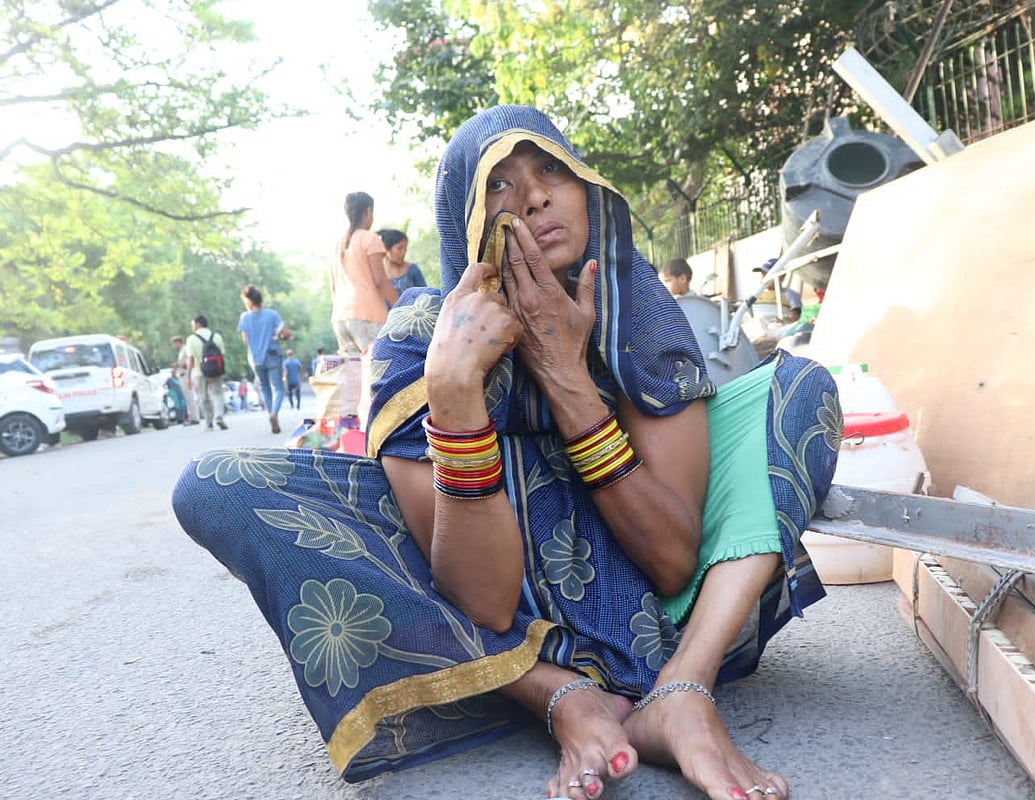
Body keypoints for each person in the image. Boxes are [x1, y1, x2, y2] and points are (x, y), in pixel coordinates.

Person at [173, 106, 840, 798]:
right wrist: (456, 395)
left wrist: (566, 377)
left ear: (586, 184)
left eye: (553, 168)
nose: (534, 196)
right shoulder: (420, 338)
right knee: (216, 483)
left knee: (800, 392)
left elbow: (673, 562)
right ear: (464, 218)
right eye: (499, 184)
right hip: (493, 630)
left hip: (666, 618)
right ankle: (556, 693)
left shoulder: (634, 306)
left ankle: (682, 687)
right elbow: (483, 603)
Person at [329, 192, 399, 356]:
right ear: (368, 211)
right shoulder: (370, 239)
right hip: (368, 316)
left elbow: (333, 286)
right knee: (378, 370)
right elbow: (380, 281)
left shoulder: (337, 243)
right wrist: (401, 307)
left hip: (340, 318)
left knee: (355, 376)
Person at [237, 284, 290, 433]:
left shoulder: (244, 317)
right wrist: (277, 337)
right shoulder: (272, 314)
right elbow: (285, 333)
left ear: (248, 302)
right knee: (278, 388)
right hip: (272, 355)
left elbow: (245, 339)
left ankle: (270, 415)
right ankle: (274, 413)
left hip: (255, 359)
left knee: (265, 388)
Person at [185, 314, 228, 431]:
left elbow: (190, 360)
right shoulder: (217, 336)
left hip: (200, 372)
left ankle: (209, 423)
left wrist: (188, 376)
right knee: (218, 394)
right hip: (215, 371)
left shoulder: (191, 339)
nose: (192, 327)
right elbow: (222, 355)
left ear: (198, 324)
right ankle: (219, 416)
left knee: (203, 397)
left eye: (193, 324)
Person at [378, 228, 428, 300]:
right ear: (387, 249)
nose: (403, 252)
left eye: (405, 248)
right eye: (399, 248)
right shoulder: (377, 273)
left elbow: (425, 296)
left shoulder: (412, 270)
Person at [170, 335, 200, 425]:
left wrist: (178, 365)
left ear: (178, 342)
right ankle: (192, 416)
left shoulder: (185, 350)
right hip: (182, 375)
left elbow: (189, 363)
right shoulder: (181, 351)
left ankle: (195, 418)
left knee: (190, 397)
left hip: (186, 374)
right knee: (188, 397)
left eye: (174, 344)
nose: (173, 346)